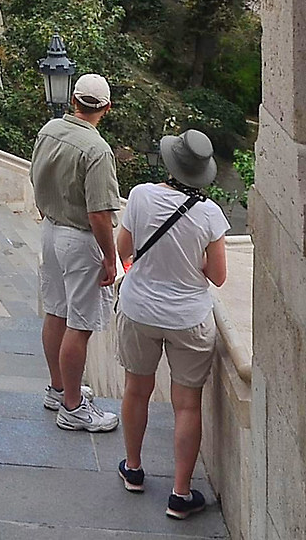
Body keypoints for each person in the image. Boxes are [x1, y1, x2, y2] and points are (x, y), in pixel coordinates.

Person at [113, 129, 232, 522]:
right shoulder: (210, 215)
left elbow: (123, 250)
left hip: (139, 309)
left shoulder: (142, 196)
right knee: (186, 404)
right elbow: (218, 277)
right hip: (187, 318)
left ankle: (133, 468)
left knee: (136, 388)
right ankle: (180, 494)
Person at [30, 72, 123, 431]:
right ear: (106, 108)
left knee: (55, 311)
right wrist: (110, 258)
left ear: (73, 101)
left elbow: (36, 178)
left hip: (50, 230)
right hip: (79, 239)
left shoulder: (49, 131)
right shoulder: (98, 151)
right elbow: (99, 213)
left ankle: (58, 390)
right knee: (79, 325)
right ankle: (73, 407)